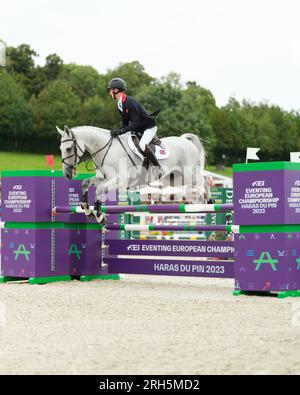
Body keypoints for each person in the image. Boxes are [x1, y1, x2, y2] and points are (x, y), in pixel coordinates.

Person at [107, 77, 163, 179]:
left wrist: (121, 131)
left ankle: (158, 168)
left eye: (110, 90)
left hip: (148, 127)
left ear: (115, 90)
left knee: (142, 145)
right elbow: (125, 124)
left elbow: (135, 123)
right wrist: (118, 131)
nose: (109, 93)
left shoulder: (130, 102)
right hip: (138, 128)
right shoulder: (120, 104)